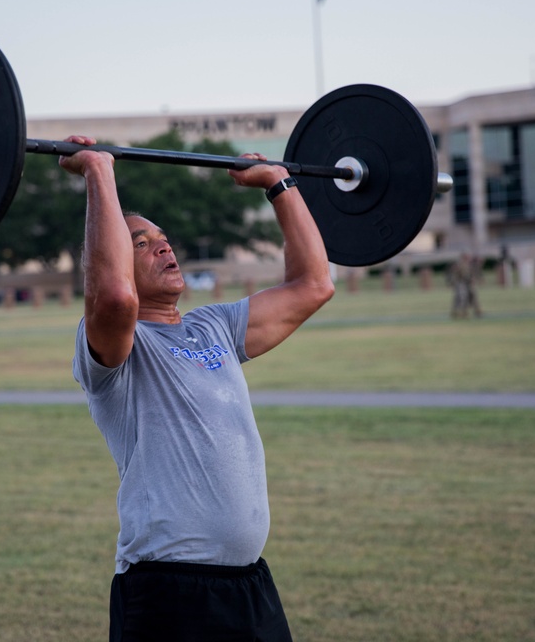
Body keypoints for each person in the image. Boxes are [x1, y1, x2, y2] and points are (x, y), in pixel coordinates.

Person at [60, 135, 334, 642]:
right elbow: (115, 296)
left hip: (249, 586)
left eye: (162, 237)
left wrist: (279, 184)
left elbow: (315, 284)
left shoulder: (215, 328)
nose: (162, 245)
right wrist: (100, 172)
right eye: (139, 243)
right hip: (168, 591)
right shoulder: (117, 347)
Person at [448, 252, 482, 318]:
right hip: (460, 283)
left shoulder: (469, 265)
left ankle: (476, 311)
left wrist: (473, 280)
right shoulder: (459, 265)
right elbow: (456, 275)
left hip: (467, 283)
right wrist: (453, 283)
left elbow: (472, 274)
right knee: (461, 298)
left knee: (472, 296)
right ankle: (460, 312)